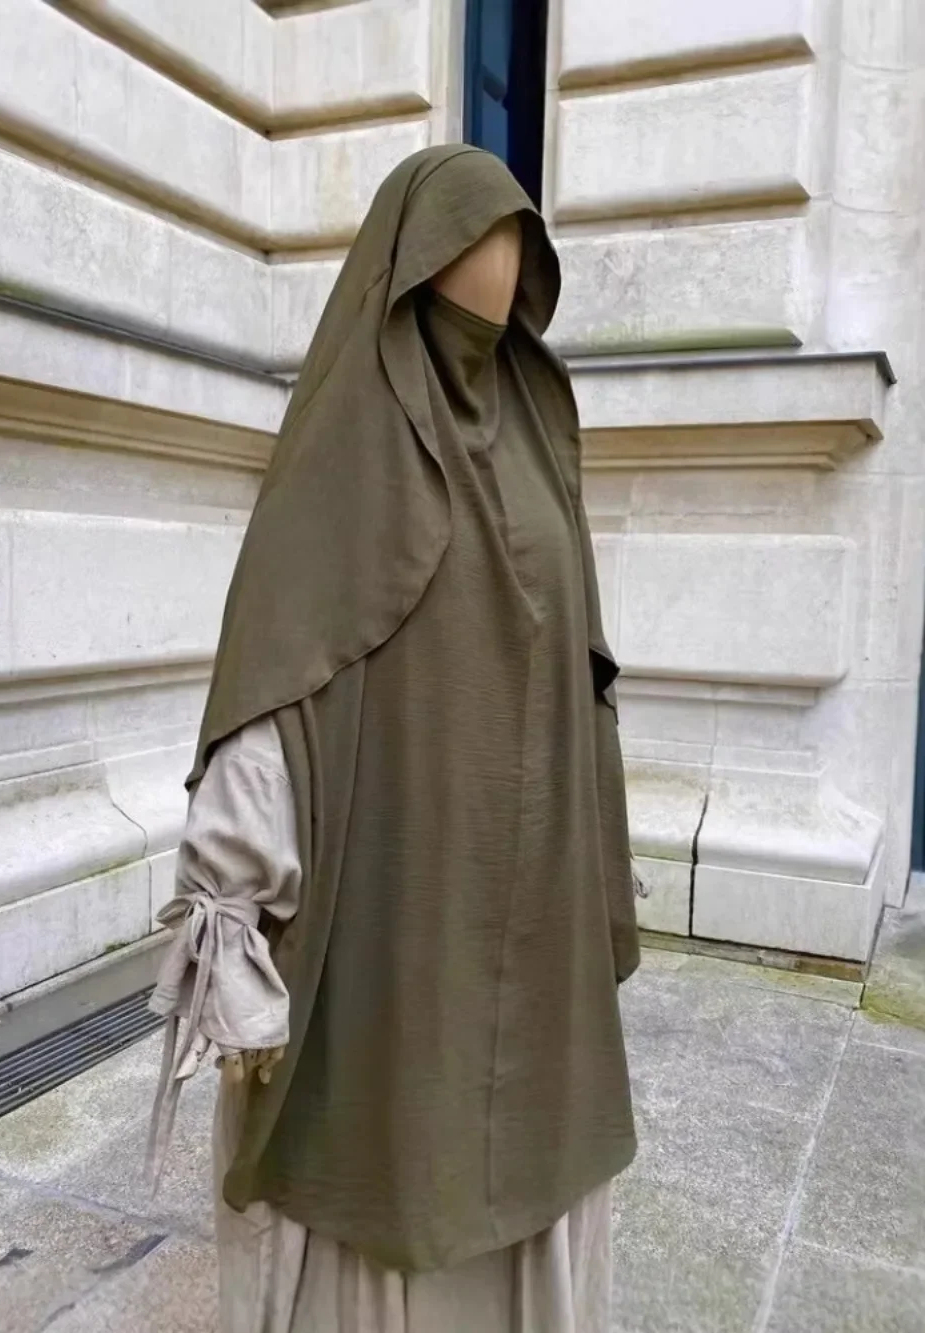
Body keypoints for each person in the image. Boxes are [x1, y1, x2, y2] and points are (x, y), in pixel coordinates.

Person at [147, 144, 642, 1333]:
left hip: (522, 938)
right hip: (384, 947)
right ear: (410, 272)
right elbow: (277, 679)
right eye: (476, 259)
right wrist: (234, 913)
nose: (497, 286)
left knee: (510, 1150)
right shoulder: (354, 460)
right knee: (386, 1164)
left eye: (514, 263)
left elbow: (579, 690)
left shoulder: (535, 442)